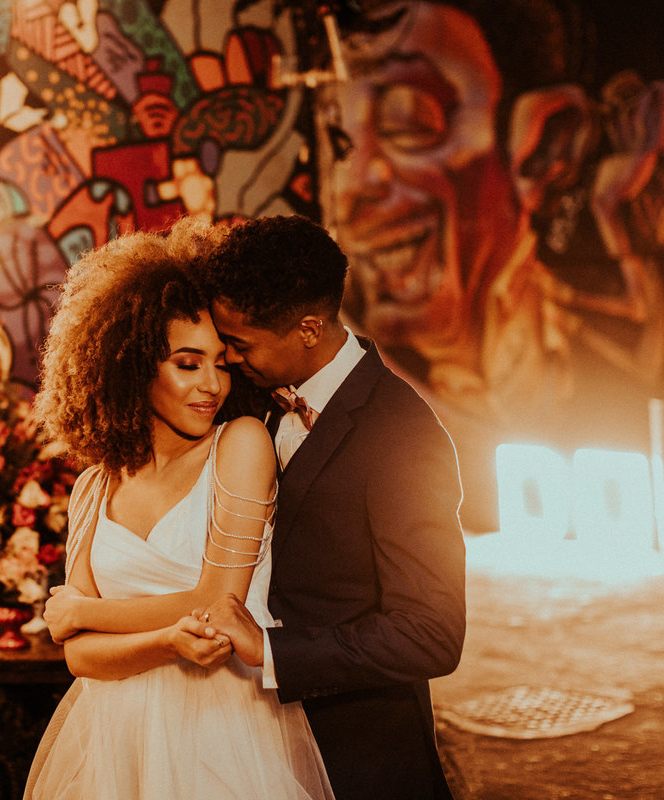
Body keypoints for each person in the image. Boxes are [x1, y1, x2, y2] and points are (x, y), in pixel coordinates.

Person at [23, 219, 333, 799]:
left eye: (221, 361)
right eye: (188, 364)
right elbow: (82, 660)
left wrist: (78, 612)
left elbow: (217, 605)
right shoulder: (92, 487)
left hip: (223, 734)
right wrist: (161, 642)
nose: (212, 384)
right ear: (133, 365)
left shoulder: (239, 444)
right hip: (114, 741)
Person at [198, 214, 467, 800]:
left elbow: (432, 633)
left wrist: (272, 651)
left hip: (359, 751)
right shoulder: (251, 396)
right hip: (252, 747)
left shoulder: (403, 434)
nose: (228, 359)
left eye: (240, 345)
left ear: (309, 329)